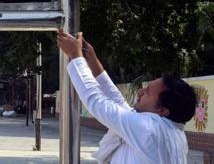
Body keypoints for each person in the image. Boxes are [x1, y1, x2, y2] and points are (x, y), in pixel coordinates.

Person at [57, 29, 197, 164]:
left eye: (148, 91)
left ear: (162, 110)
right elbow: (119, 104)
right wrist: (92, 61)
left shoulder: (150, 131)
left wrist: (76, 56)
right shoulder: (170, 131)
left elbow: (98, 102)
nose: (140, 91)